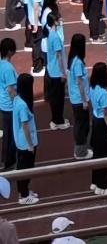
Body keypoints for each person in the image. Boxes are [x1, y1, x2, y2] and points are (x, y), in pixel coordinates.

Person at [88, 62, 107, 195]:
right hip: (103, 125)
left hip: (95, 122)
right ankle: (102, 186)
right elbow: (106, 114)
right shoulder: (103, 93)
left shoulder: (92, 88)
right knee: (105, 154)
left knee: (97, 153)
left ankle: (95, 182)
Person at [13, 73, 38, 204]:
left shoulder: (17, 99)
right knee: (26, 168)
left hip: (20, 141)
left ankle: (25, 191)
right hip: (25, 143)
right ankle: (24, 196)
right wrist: (30, 144)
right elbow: (25, 125)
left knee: (23, 167)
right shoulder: (23, 105)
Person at [67, 33, 92, 161]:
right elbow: (79, 82)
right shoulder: (77, 63)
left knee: (82, 124)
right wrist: (84, 101)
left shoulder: (73, 59)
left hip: (76, 98)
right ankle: (80, 151)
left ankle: (81, 149)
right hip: (79, 100)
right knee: (82, 125)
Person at [44, 12, 68, 130]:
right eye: (59, 19)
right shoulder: (56, 37)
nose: (60, 20)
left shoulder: (50, 35)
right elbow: (59, 56)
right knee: (58, 98)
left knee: (54, 97)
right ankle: (58, 120)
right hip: (57, 72)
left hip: (51, 70)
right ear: (55, 21)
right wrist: (63, 73)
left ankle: (56, 119)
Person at [0, 39, 16, 171]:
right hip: (9, 105)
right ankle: (8, 162)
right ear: (10, 51)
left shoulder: (1, 65)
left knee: (7, 133)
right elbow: (11, 90)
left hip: (3, 103)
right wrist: (17, 104)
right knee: (11, 134)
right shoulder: (8, 69)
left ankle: (5, 160)